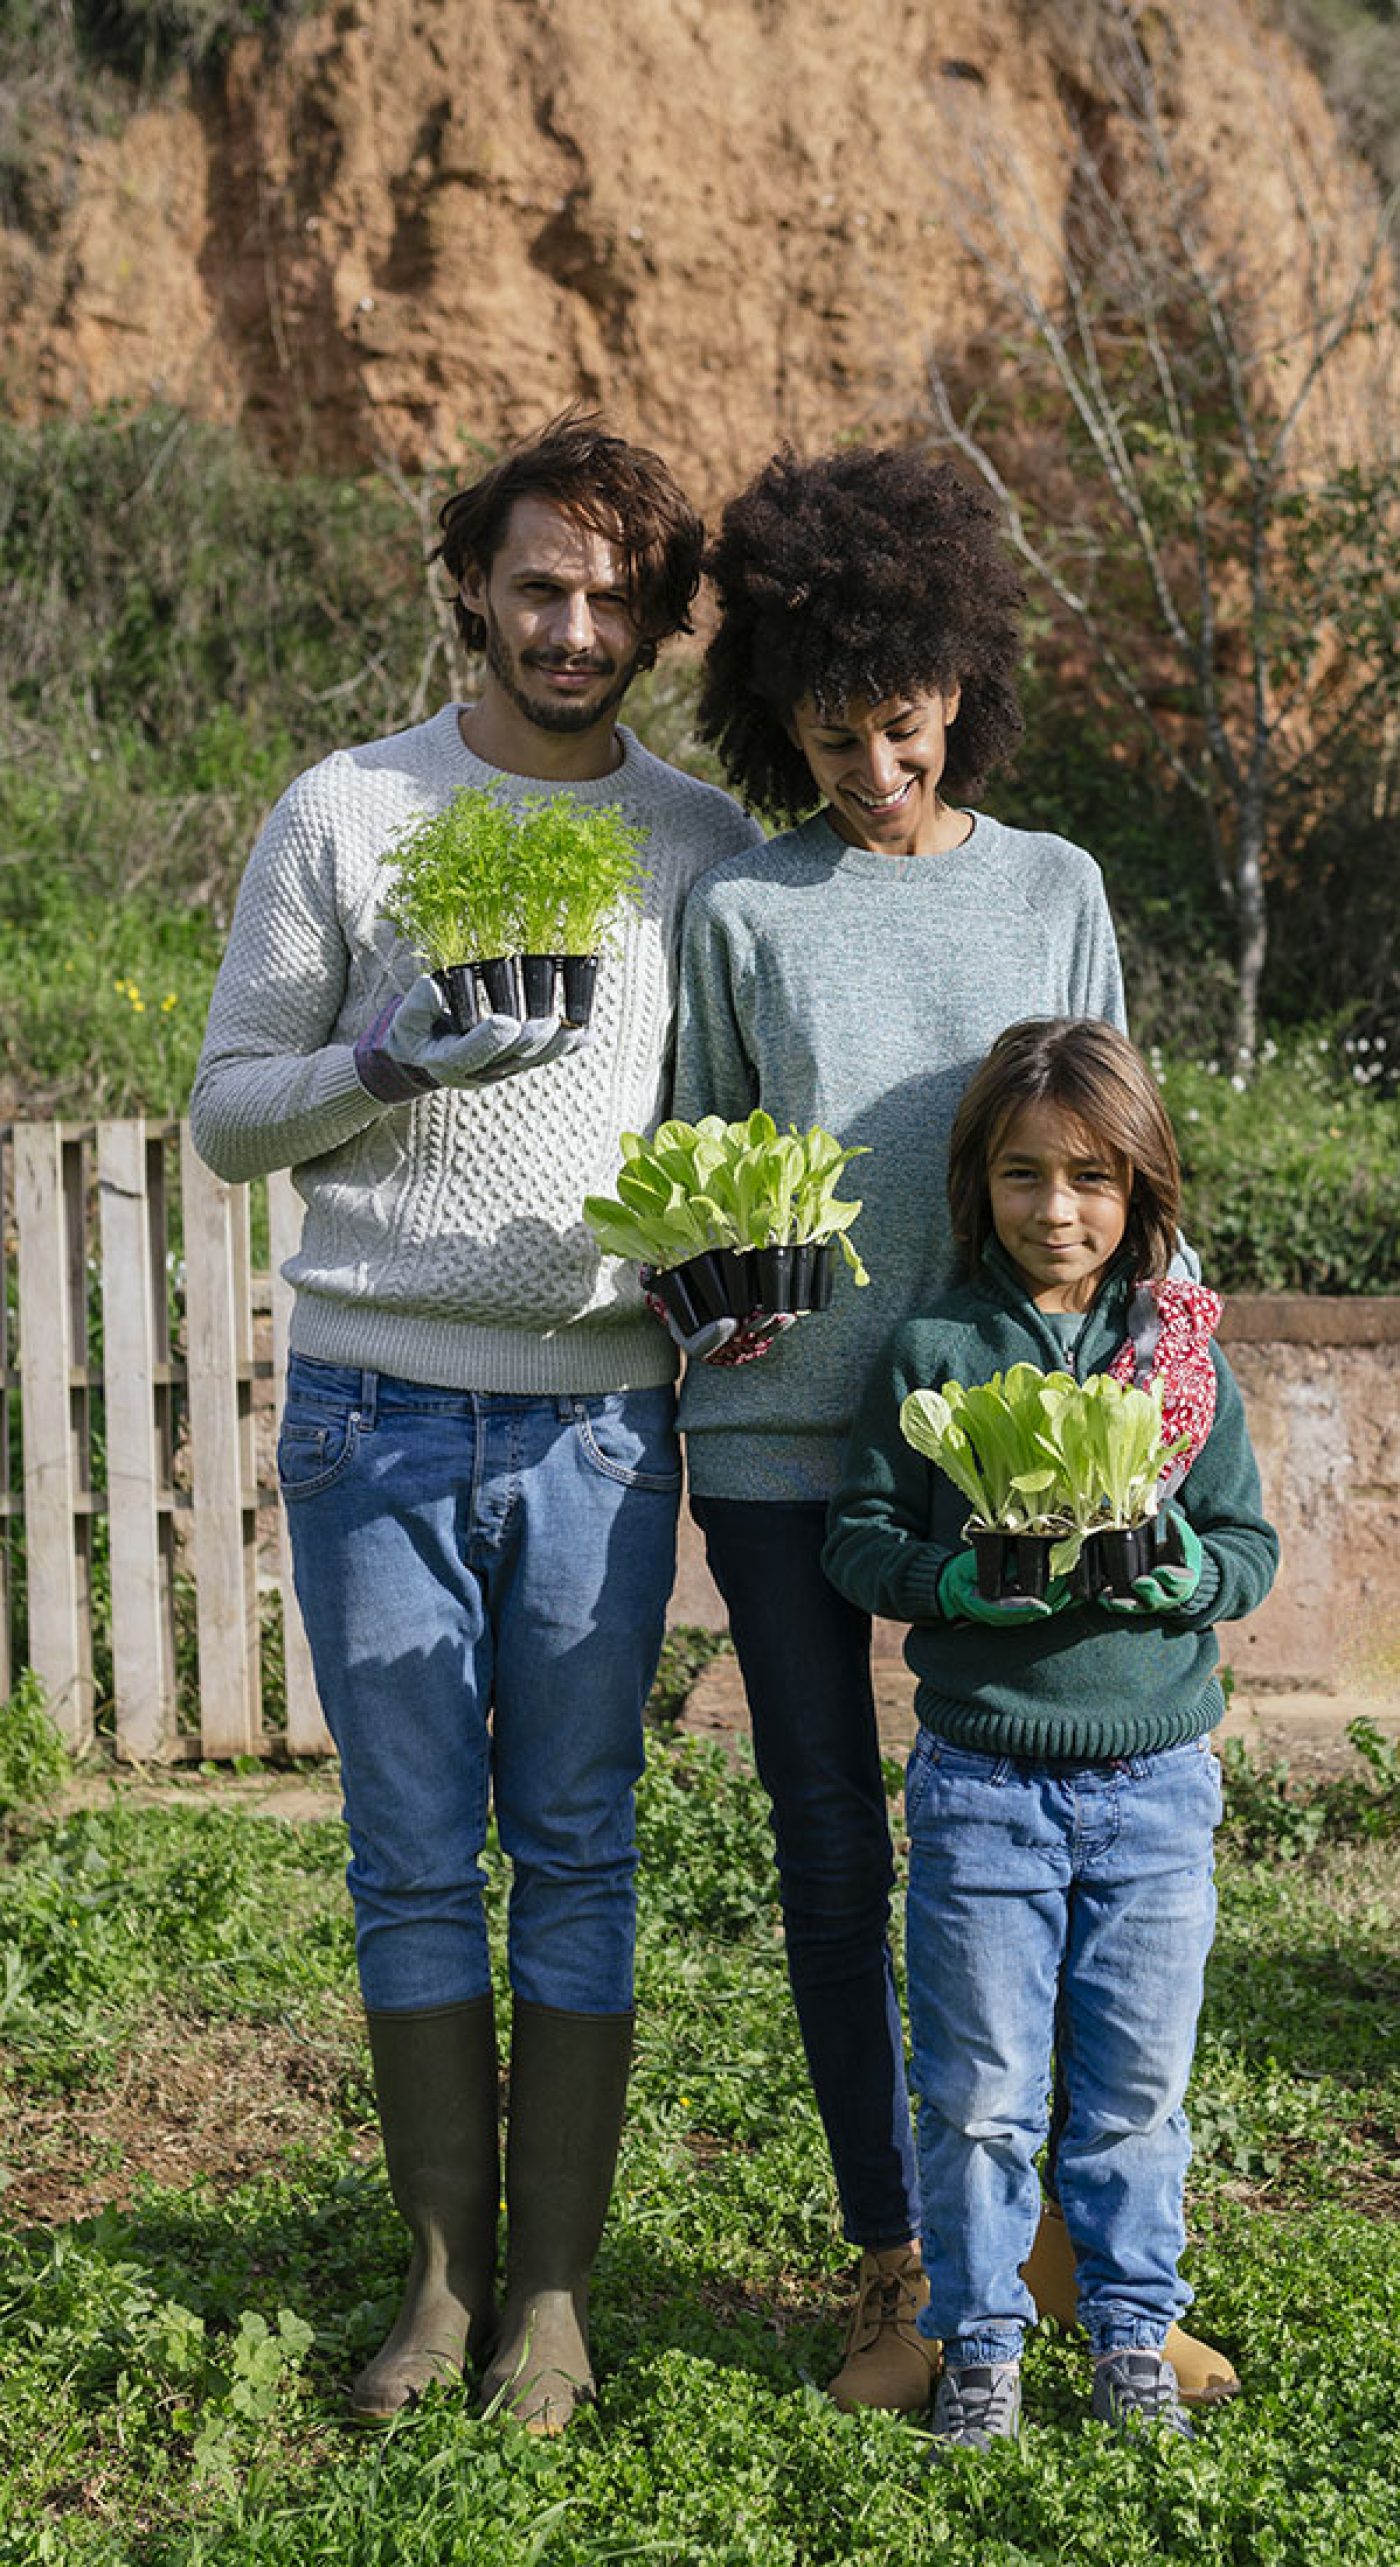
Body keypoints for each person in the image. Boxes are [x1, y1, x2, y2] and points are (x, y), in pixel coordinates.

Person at [190, 411, 760, 2434]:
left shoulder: (696, 849)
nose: (574, 624)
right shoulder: (350, 812)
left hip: (599, 1435)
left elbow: (728, 1149)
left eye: (614, 594)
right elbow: (226, 1113)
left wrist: (740, 1267)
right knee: (416, 1856)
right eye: (540, 583)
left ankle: (549, 2295)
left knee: (581, 1850)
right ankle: (436, 2281)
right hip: (370, 1415)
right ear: (473, 589)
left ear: (659, 621)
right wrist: (378, 1051)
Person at [668, 442, 1239, 2412]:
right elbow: (702, 1163)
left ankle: (1081, 2260)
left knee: (1058, 1846)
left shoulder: (1056, 888)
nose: (870, 765)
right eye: (829, 735)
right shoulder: (742, 911)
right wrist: (705, 1279)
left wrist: (1159, 1403)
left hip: (1034, 1457)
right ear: (779, 714)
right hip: (789, 1451)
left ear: (956, 691)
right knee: (838, 1853)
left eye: (901, 729)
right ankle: (903, 2267)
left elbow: (1116, 1157)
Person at [822, 1017, 1279, 2446]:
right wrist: (949, 1579)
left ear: (1140, 1188)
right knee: (976, 2089)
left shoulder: (1181, 1357)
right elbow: (861, 1538)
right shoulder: (935, 1347)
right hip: (984, 1783)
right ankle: (980, 2339)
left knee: (1137, 2086)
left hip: (1154, 1783)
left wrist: (1190, 1575)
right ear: (980, 1184)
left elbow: (1248, 1546)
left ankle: (1133, 2328)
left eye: (1090, 1176)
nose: (1058, 1210)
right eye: (1025, 1177)